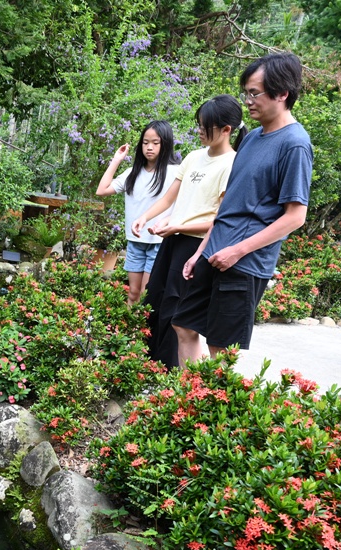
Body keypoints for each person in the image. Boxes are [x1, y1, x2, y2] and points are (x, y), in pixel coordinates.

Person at [172, 52, 313, 364]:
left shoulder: (295, 144)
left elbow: (295, 216)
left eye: (254, 93)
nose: (247, 101)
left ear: (282, 94)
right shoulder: (251, 139)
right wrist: (200, 252)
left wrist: (238, 251)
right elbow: (230, 206)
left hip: (244, 263)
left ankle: (208, 408)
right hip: (215, 252)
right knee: (183, 324)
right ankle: (189, 402)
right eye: (246, 93)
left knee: (221, 348)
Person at [129, 96, 248, 367]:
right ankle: (154, 368)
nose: (199, 131)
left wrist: (179, 225)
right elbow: (172, 199)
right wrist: (146, 217)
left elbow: (221, 219)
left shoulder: (232, 165)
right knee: (156, 305)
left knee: (180, 318)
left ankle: (180, 378)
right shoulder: (194, 157)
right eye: (199, 125)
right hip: (173, 242)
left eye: (206, 127)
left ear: (226, 129)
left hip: (197, 247)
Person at [95, 121, 181, 304]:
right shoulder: (132, 173)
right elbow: (101, 190)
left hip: (159, 242)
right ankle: (130, 331)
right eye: (145, 142)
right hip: (135, 242)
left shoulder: (175, 173)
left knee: (146, 293)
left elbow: (183, 206)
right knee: (133, 293)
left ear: (165, 143)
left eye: (155, 143)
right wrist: (116, 160)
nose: (149, 147)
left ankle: (146, 332)